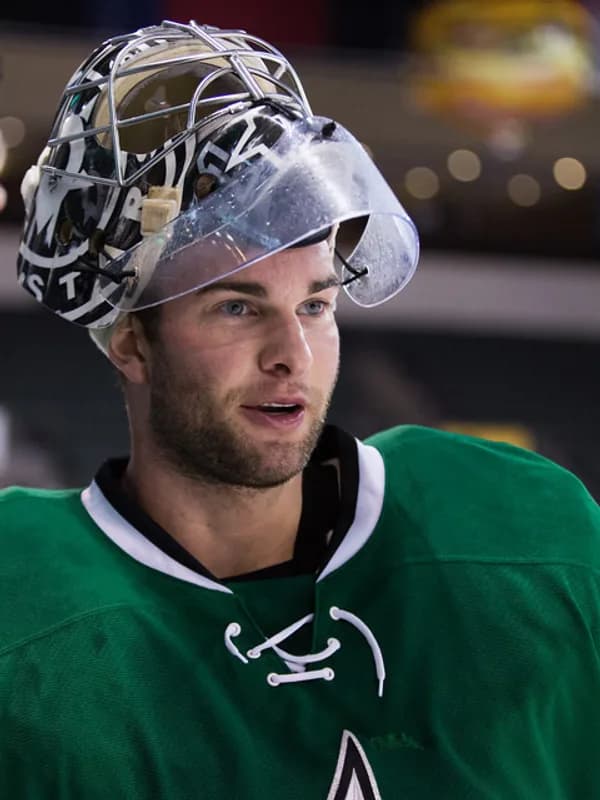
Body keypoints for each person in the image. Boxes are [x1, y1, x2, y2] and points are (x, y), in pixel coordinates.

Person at [2, 19, 599, 799]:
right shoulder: (26, 612)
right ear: (131, 341)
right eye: (237, 308)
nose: (294, 354)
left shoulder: (526, 530)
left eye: (315, 305)